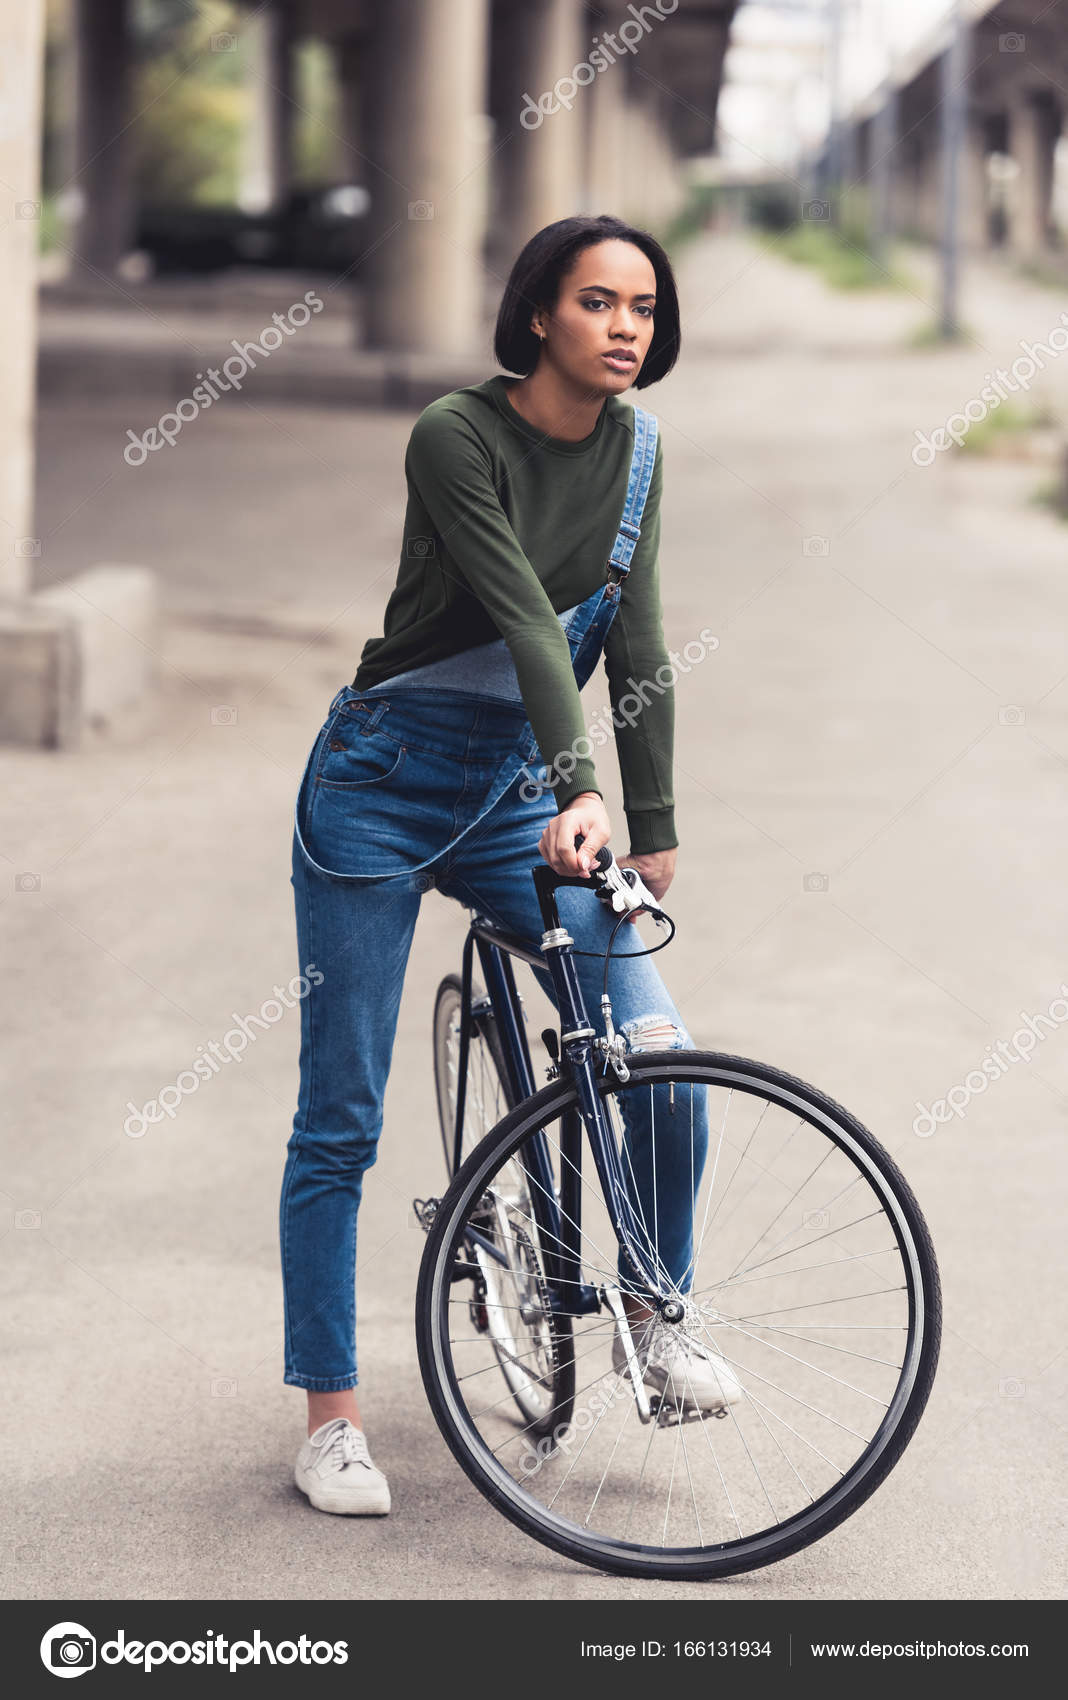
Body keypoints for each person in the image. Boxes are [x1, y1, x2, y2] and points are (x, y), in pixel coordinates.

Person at [281, 213, 740, 1519]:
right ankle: (330, 1417)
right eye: (597, 301)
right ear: (539, 311)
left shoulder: (640, 454)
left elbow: (635, 648)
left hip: (519, 798)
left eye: (643, 307)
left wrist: (647, 828)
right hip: (377, 789)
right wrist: (585, 782)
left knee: (658, 1056)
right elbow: (528, 618)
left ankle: (654, 1317)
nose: (624, 327)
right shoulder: (455, 437)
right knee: (341, 1114)